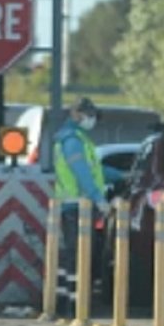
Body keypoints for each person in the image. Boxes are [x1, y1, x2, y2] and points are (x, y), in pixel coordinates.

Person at [53, 97, 119, 315]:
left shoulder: (76, 138)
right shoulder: (72, 141)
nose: (91, 120)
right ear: (76, 114)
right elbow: (81, 173)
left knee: (72, 255)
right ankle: (74, 306)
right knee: (79, 255)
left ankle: (64, 302)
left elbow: (95, 171)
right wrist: (98, 199)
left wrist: (120, 176)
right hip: (77, 207)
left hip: (74, 206)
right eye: (88, 115)